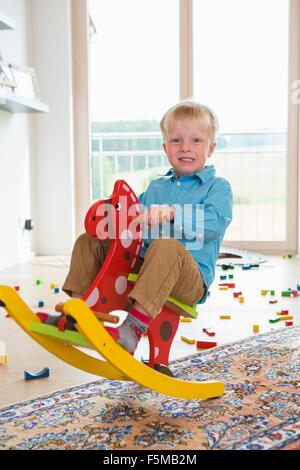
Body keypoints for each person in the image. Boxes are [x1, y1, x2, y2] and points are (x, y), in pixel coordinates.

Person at [38, 101, 233, 354]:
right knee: (89, 241)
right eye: (176, 140)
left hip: (190, 279)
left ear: (211, 148)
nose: (185, 147)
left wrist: (173, 213)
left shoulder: (218, 187)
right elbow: (132, 222)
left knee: (167, 247)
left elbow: (215, 222)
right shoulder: (156, 187)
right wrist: (114, 215)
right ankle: (80, 312)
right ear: (165, 148)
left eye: (196, 140)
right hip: (145, 266)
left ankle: (133, 327)